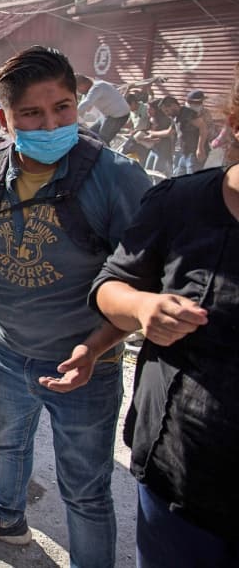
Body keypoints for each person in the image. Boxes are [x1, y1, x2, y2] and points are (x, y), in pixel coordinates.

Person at [0, 46, 151, 565]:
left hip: (85, 364)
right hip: (5, 349)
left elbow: (144, 278)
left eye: (64, 108)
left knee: (86, 490)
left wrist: (97, 348)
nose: (51, 123)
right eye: (32, 113)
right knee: (4, 442)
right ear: (4, 118)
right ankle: (4, 518)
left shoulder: (116, 178)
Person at [88, 64, 239, 567]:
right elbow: (110, 288)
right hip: (181, 478)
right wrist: (143, 306)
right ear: (235, 122)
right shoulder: (182, 202)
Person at [157, 95, 207, 177]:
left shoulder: (187, 113)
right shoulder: (175, 117)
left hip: (194, 154)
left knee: (192, 181)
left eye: (167, 110)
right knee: (178, 178)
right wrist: (152, 133)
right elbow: (169, 132)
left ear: (173, 105)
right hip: (184, 154)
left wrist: (200, 148)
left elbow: (203, 127)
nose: (166, 114)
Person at [75, 74, 131, 145]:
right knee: (90, 134)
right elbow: (83, 107)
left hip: (118, 115)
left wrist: (72, 118)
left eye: (77, 88)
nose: (78, 91)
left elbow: (86, 104)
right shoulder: (90, 90)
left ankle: (106, 155)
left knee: (101, 141)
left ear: (84, 84)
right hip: (106, 115)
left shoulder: (97, 87)